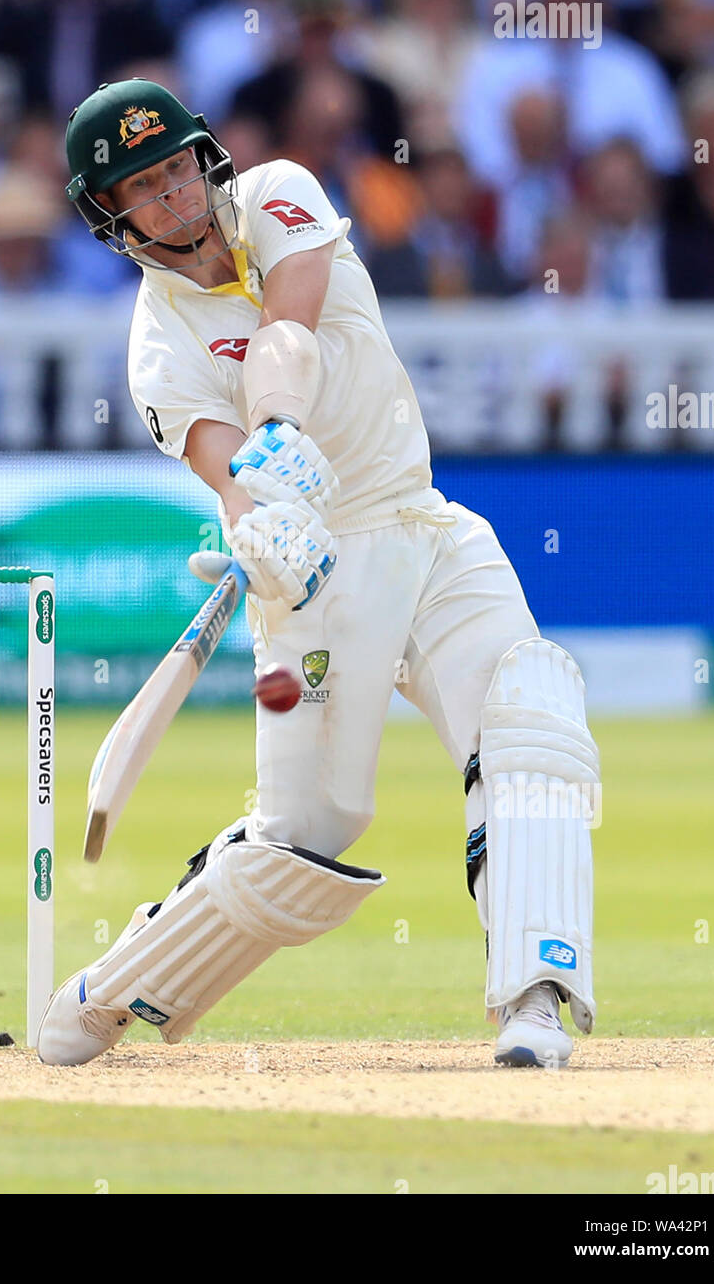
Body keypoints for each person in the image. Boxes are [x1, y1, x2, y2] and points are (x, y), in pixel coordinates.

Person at [36, 78, 599, 1069]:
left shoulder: (280, 192)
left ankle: (536, 998)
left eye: (175, 169)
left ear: (204, 158)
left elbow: (291, 325)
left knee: (531, 723)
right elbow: (222, 466)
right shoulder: (157, 347)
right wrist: (261, 527)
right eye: (142, 188)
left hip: (425, 528)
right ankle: (110, 991)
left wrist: (283, 430)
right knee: (309, 833)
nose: (173, 198)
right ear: (111, 217)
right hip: (317, 579)